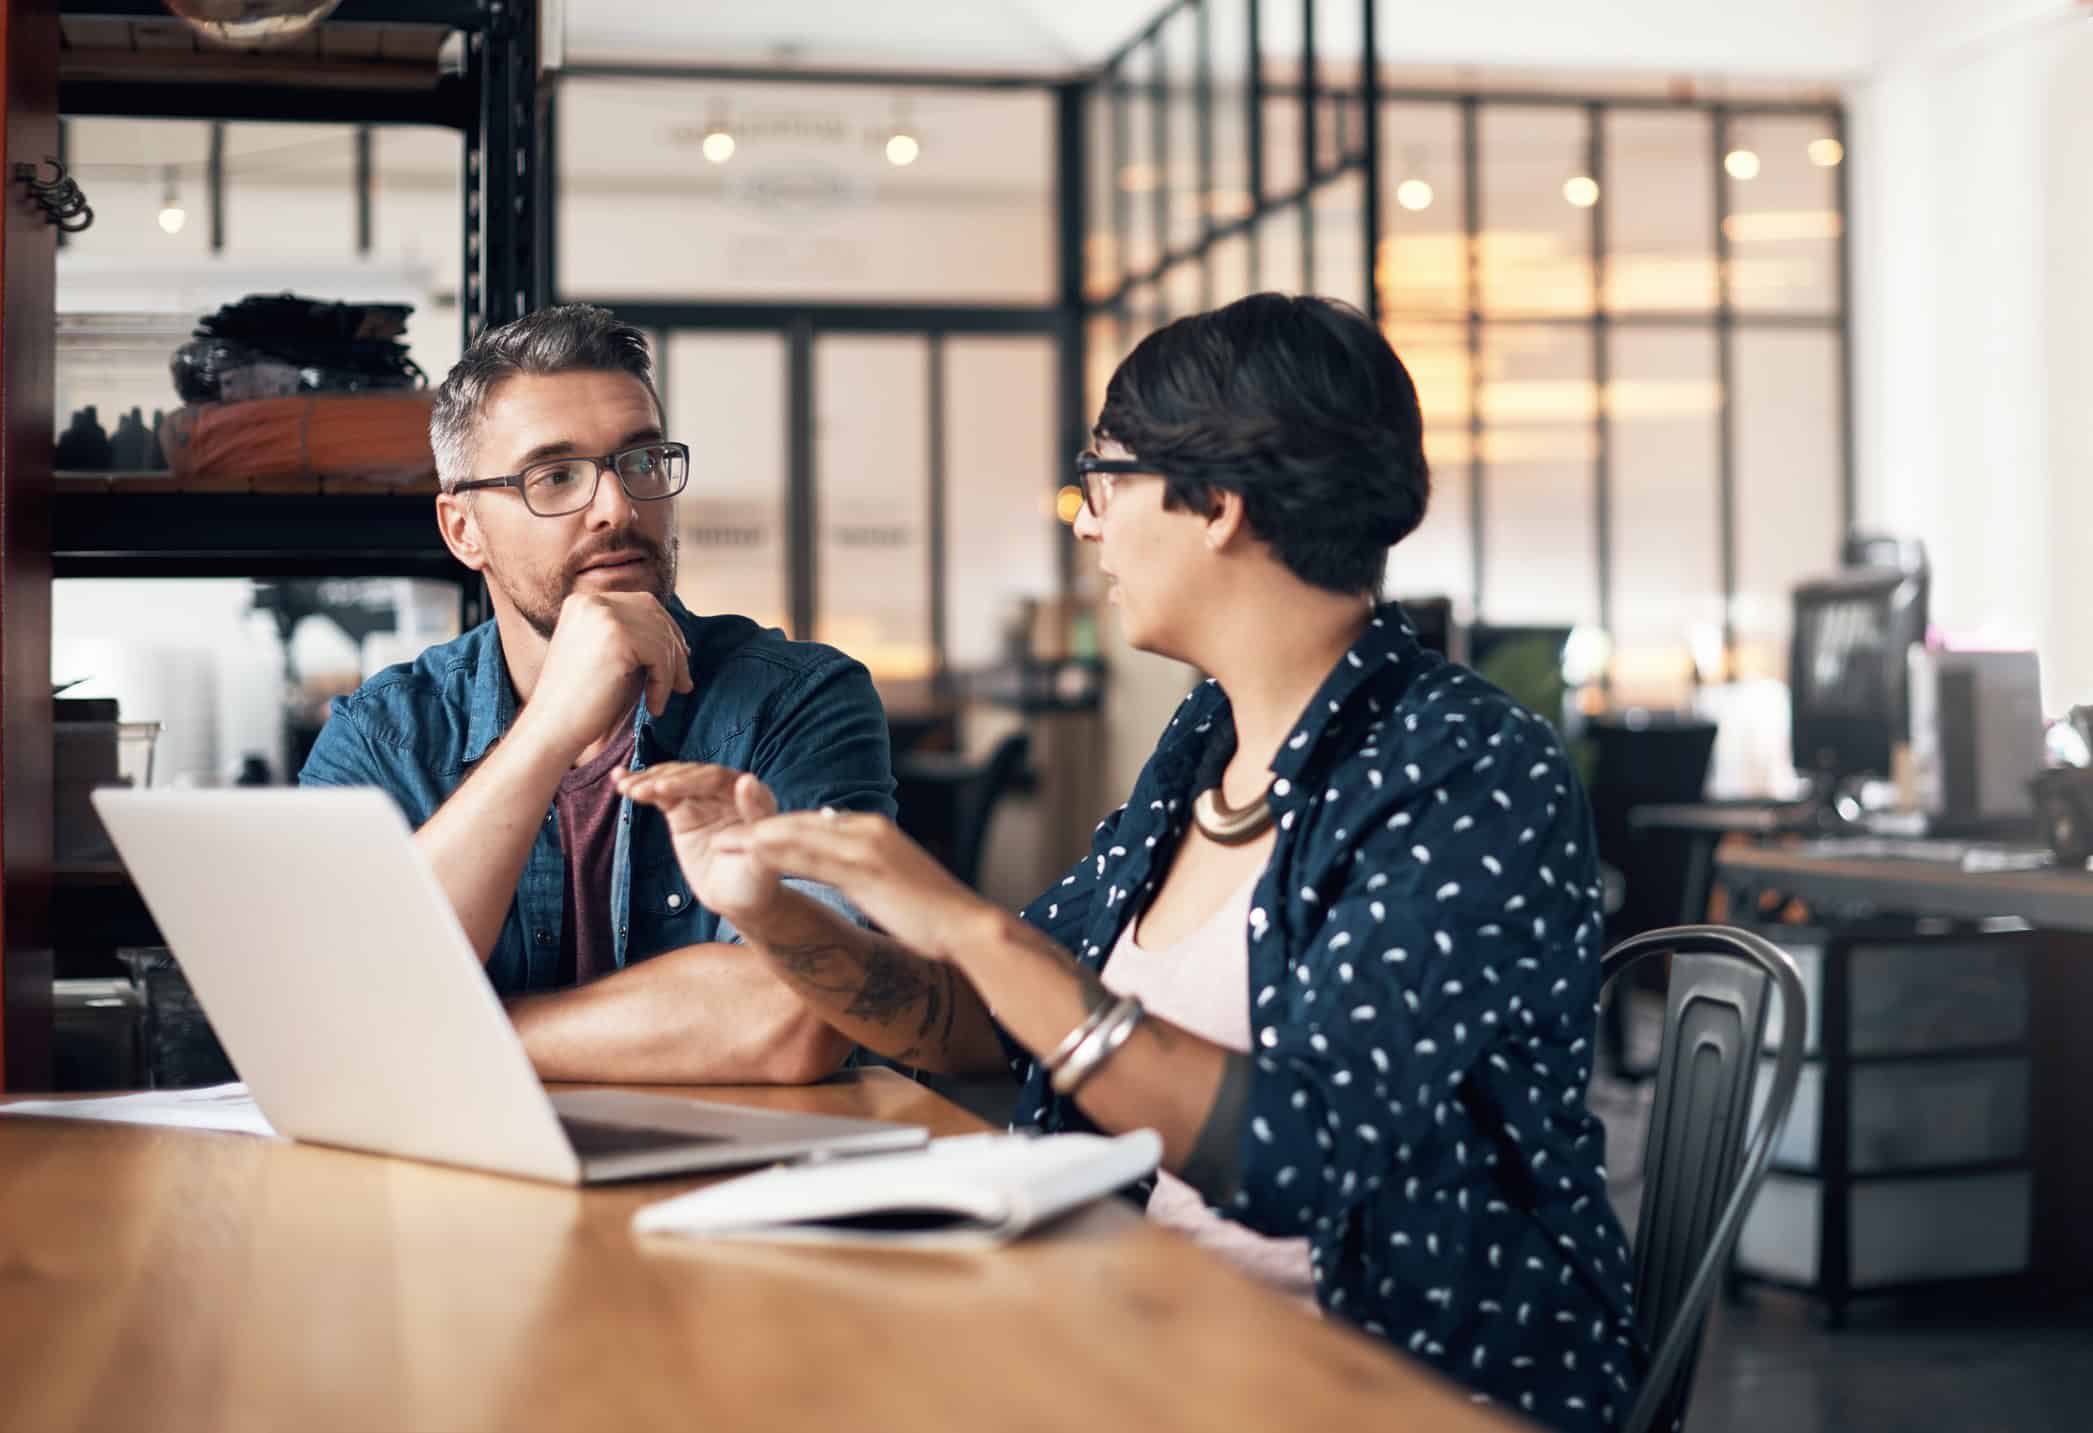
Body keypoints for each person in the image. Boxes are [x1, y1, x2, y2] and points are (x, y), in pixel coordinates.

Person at [615, 293, 1643, 1426]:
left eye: (1102, 475)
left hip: (1380, 1383)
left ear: (1216, 501)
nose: (1086, 521)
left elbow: (1294, 1157)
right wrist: (770, 913)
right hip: (1140, 1328)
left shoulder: (1466, 768)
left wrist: (965, 918)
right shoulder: (1204, 741)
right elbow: (987, 1022)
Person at [299, 304, 893, 1085]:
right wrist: (547, 730)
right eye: (554, 476)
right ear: (461, 529)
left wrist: (437, 1029)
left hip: (736, 1185)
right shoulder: (383, 734)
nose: (617, 507)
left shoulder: (798, 702)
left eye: (642, 462)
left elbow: (800, 1013)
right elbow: (324, 1013)